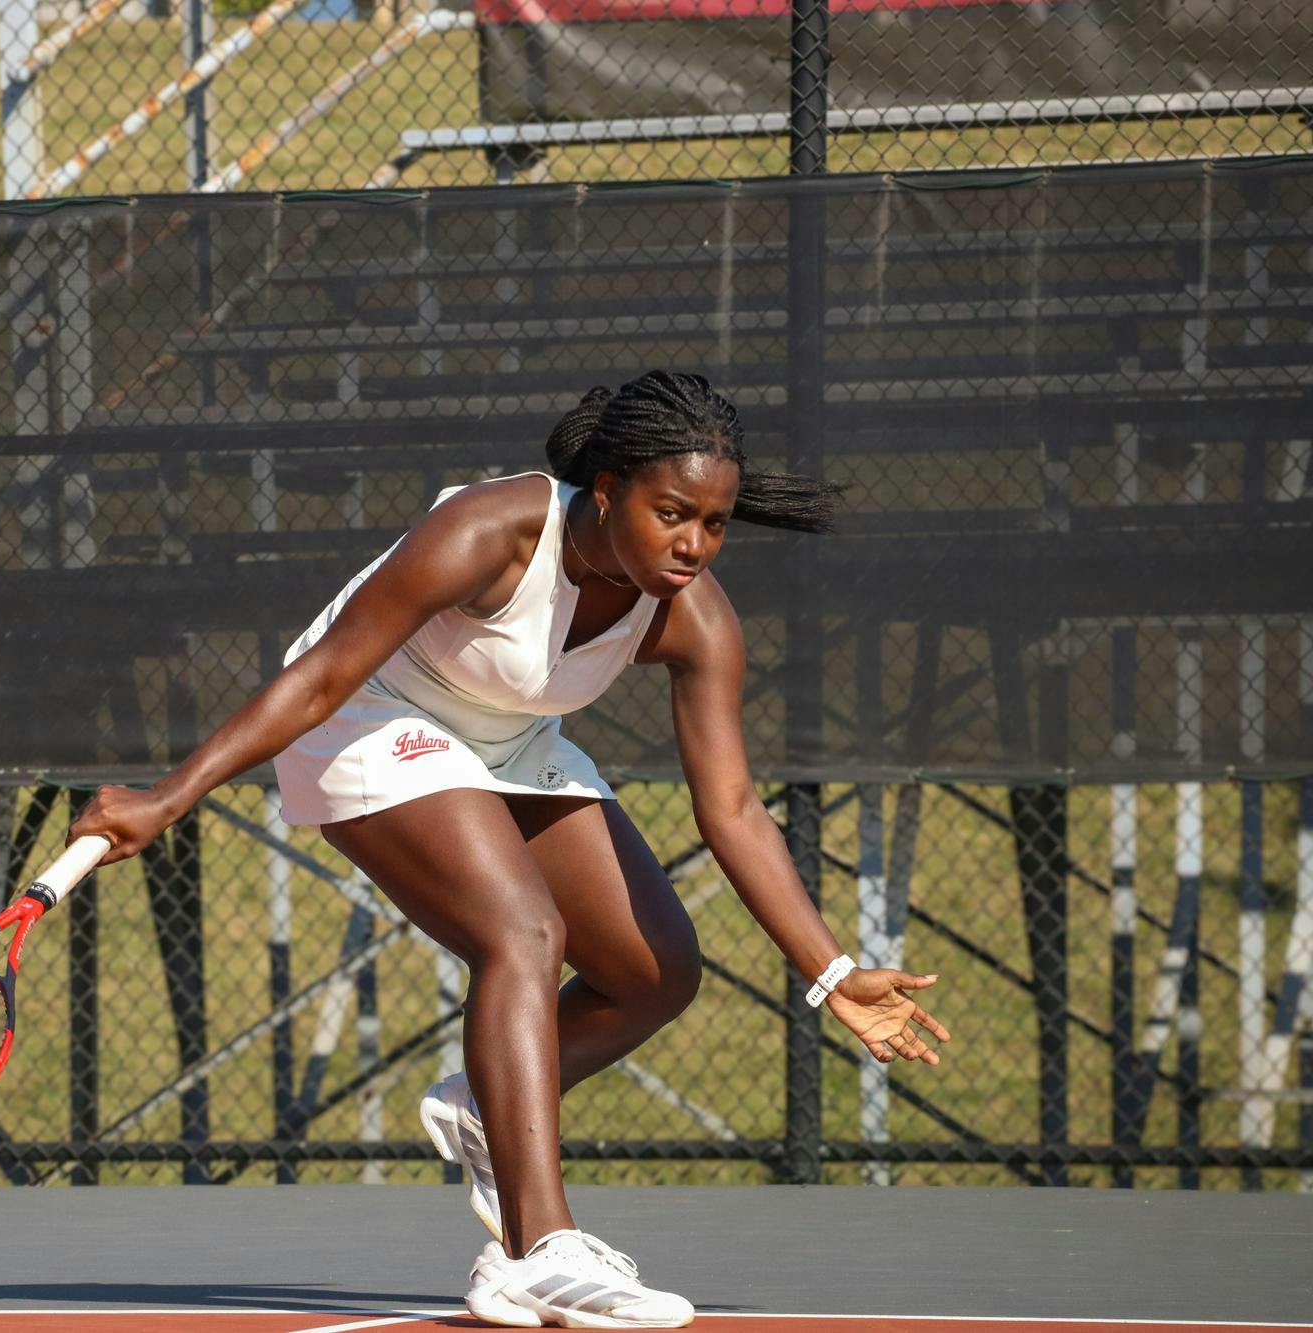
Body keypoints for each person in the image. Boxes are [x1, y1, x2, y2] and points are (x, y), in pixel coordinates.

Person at [68, 370, 951, 1330]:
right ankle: (536, 1252)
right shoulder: (492, 533)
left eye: (713, 522)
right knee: (524, 931)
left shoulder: (692, 616)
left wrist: (833, 972)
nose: (693, 544)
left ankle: (483, 1105)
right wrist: (169, 796)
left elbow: (732, 806)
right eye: (671, 514)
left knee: (655, 972)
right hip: (367, 718)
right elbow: (323, 676)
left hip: (509, 739)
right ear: (605, 490)